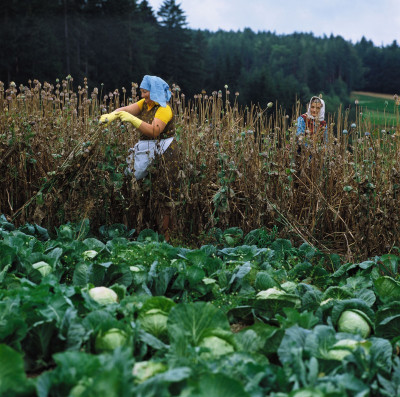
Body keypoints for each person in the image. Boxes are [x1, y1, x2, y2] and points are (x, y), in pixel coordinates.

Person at [99, 75, 180, 241]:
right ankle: (145, 232)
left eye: (145, 92)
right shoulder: (145, 104)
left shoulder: (164, 109)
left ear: (155, 92)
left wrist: (132, 120)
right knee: (144, 192)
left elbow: (154, 131)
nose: (142, 96)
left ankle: (168, 238)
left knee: (165, 196)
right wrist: (113, 115)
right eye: (141, 92)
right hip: (149, 151)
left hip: (166, 155)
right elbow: (127, 109)